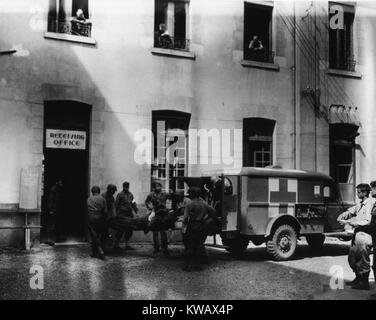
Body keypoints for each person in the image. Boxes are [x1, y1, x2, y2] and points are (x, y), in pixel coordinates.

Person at [337, 183, 375, 290]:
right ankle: (358, 278)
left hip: (365, 236)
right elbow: (353, 210)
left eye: (359, 192)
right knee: (352, 258)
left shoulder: (370, 204)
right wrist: (344, 214)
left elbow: (368, 221)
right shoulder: (361, 203)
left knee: (363, 260)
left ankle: (364, 282)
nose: (357, 194)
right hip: (357, 236)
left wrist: (350, 222)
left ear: (364, 192)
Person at [182, 187, 216, 271]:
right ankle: (198, 266)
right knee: (199, 245)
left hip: (192, 224)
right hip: (201, 225)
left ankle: (189, 265)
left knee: (190, 245)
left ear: (192, 194)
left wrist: (183, 228)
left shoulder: (189, 204)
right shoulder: (203, 203)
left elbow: (185, 218)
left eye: (190, 193)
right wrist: (206, 218)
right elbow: (213, 210)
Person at [145, 182, 170, 255]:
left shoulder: (164, 194)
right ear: (154, 188)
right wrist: (149, 207)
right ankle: (156, 248)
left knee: (163, 232)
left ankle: (165, 248)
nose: (158, 188)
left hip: (163, 214)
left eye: (159, 186)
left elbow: (172, 197)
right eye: (157, 186)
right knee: (155, 232)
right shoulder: (151, 195)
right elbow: (146, 202)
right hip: (155, 213)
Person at [114, 181, 138, 251]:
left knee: (129, 229)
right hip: (122, 214)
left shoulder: (131, 195)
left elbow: (133, 203)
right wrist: (116, 215)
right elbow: (116, 205)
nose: (126, 188)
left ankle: (127, 244)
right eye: (125, 187)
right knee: (120, 229)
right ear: (123, 187)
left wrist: (136, 210)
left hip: (129, 214)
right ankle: (116, 244)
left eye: (127, 187)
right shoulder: (120, 195)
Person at [87, 186, 107, 260]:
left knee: (93, 234)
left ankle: (98, 250)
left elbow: (87, 209)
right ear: (99, 191)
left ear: (92, 192)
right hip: (100, 217)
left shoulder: (89, 199)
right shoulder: (102, 199)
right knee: (98, 234)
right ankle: (97, 251)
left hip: (91, 217)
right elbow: (105, 211)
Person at [46, 180, 64, 246]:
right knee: (51, 224)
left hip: (57, 210)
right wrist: (51, 209)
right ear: (57, 182)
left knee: (57, 224)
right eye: (60, 182)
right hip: (54, 210)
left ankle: (56, 238)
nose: (61, 183)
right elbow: (50, 199)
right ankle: (49, 240)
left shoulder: (59, 189)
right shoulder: (54, 189)